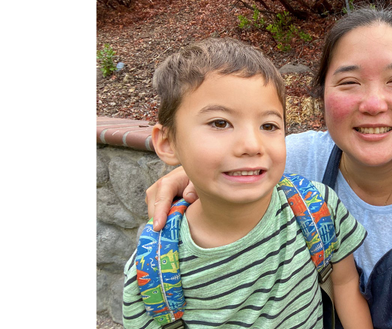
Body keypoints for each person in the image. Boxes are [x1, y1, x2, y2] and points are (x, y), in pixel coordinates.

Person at [143, 8, 392, 328]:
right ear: (321, 93)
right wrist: (184, 173)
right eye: (349, 82)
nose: (373, 103)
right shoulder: (295, 161)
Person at [121, 37, 371, 328]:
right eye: (220, 123)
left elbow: (345, 287)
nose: (252, 145)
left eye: (269, 126)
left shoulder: (315, 208)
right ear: (167, 142)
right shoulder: (153, 273)